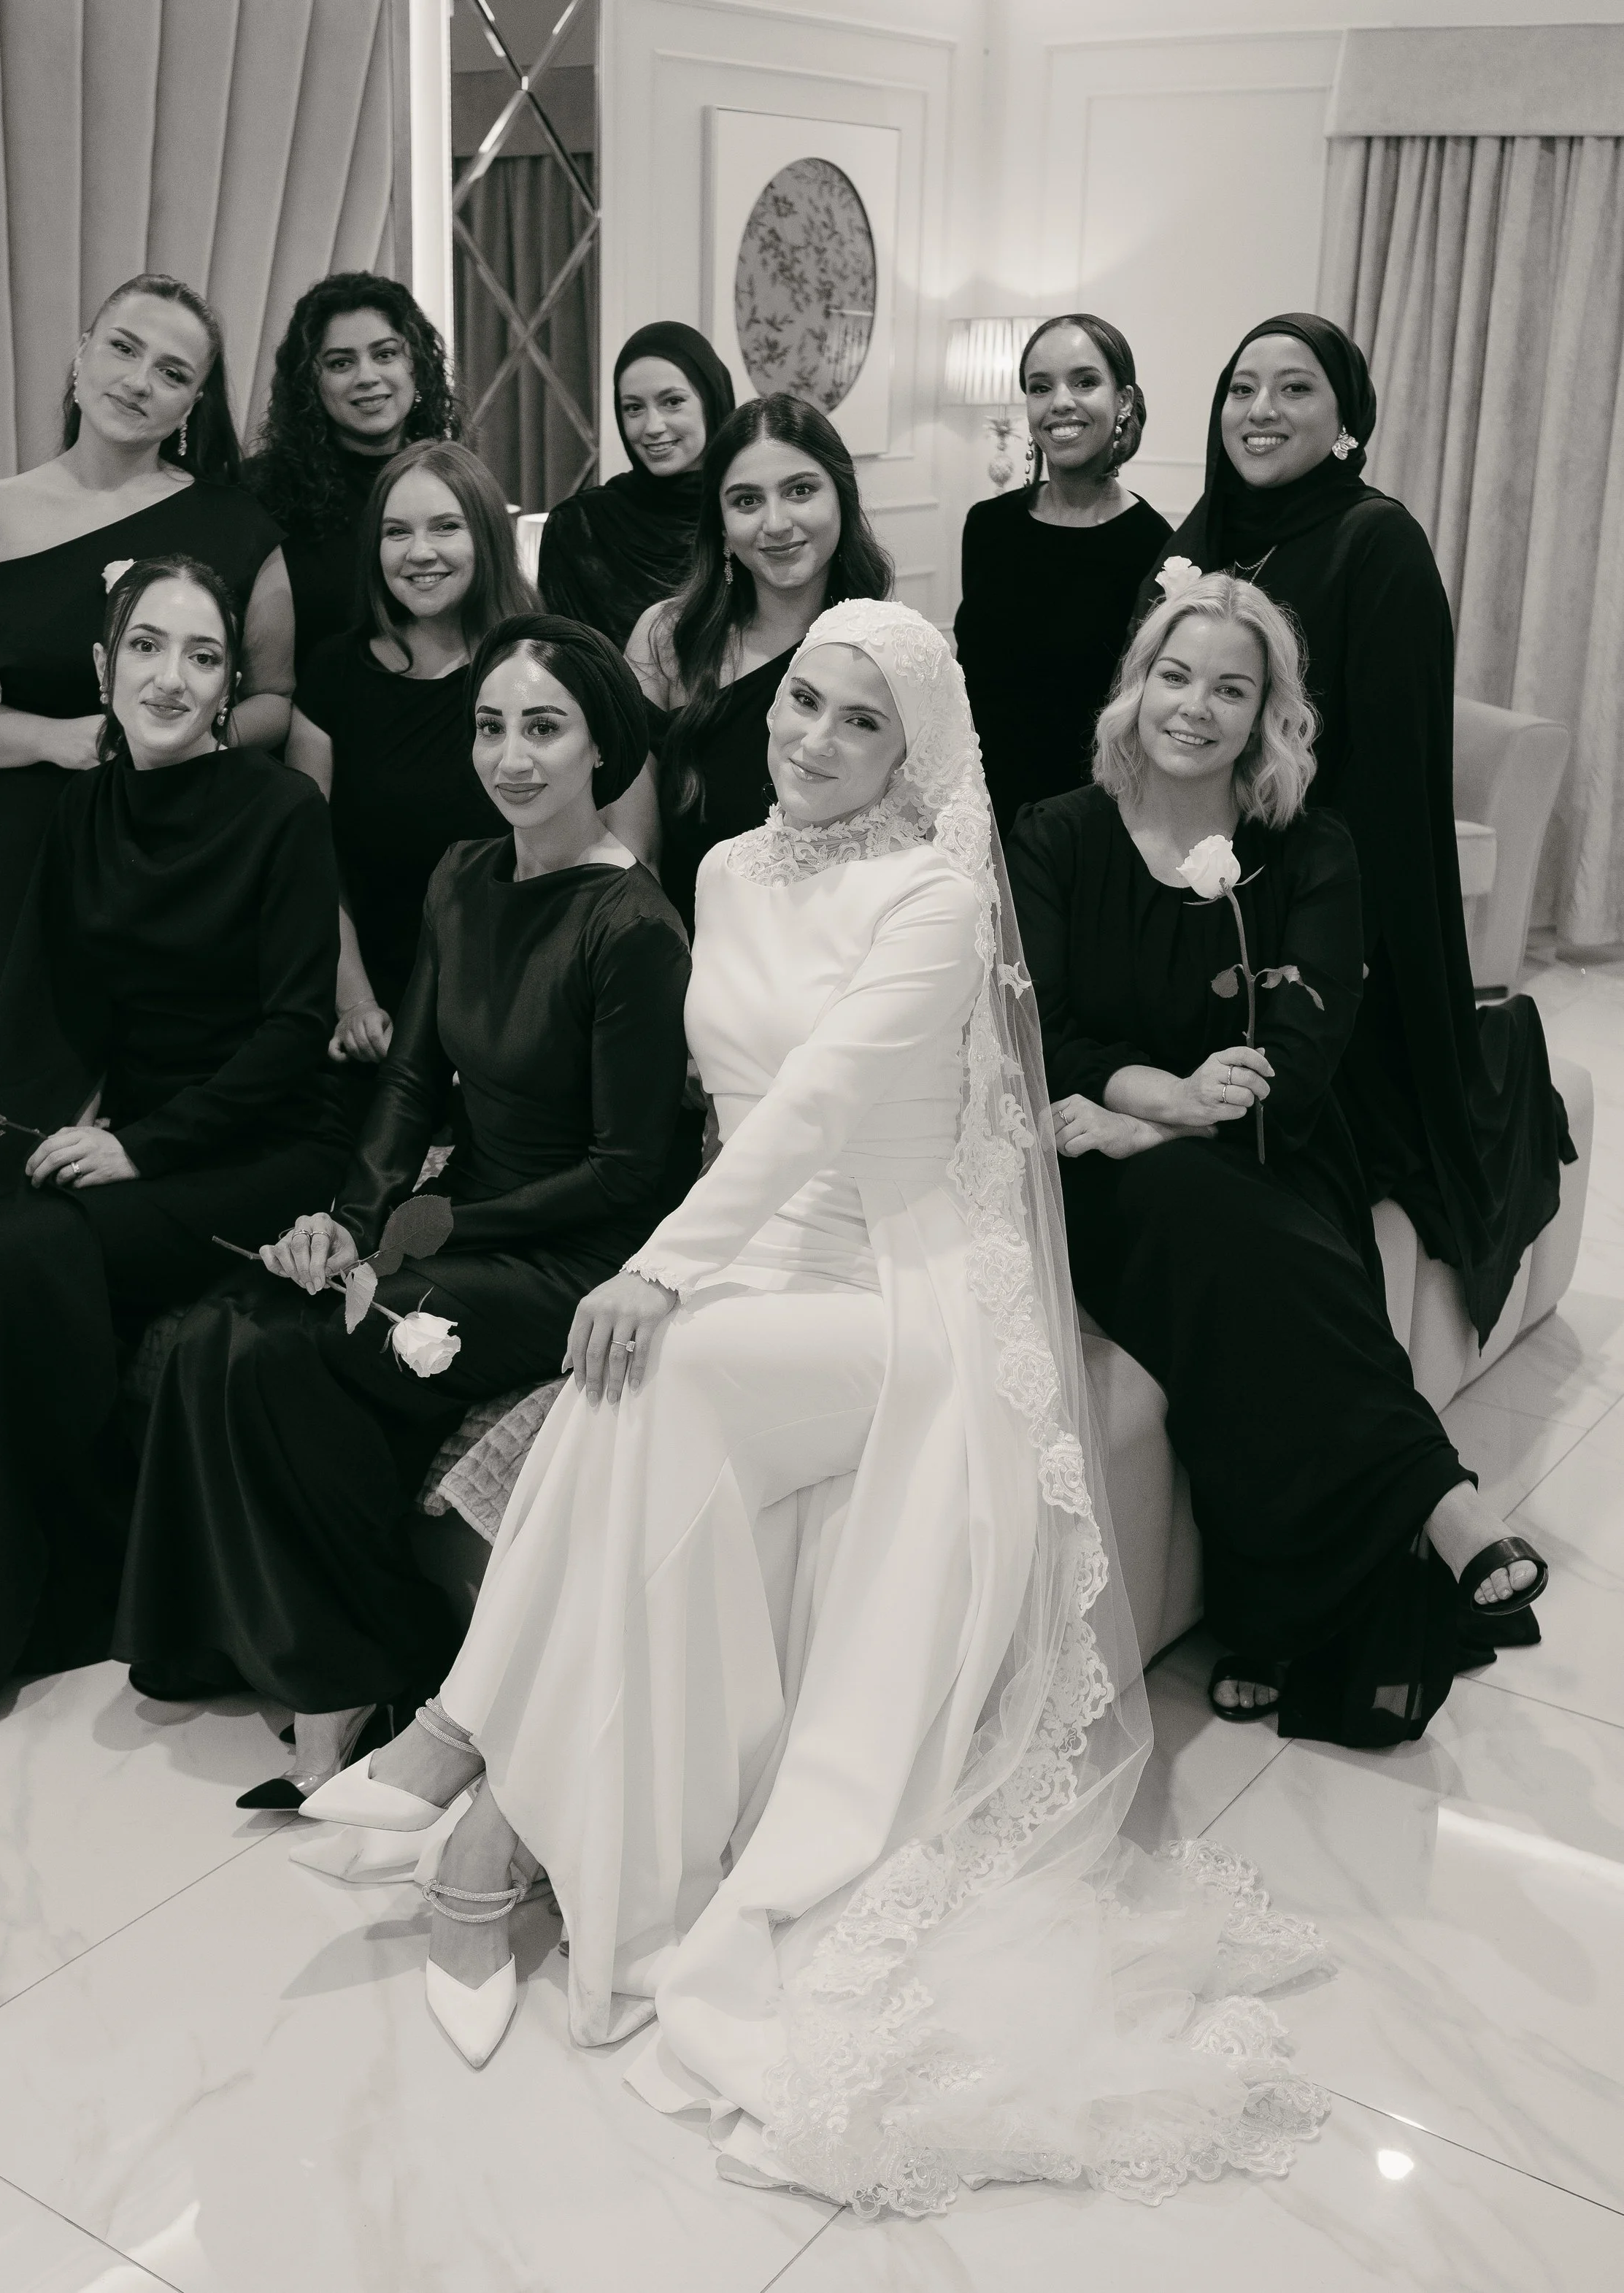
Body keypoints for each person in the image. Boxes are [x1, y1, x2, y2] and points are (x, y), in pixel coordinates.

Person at [295, 600, 1331, 2216]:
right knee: (625, 1393)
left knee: (663, 1357)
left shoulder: (929, 891)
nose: (811, 740)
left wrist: (658, 1271)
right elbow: (719, 1112)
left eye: (858, 721)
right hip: (765, 1254)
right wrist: (680, 1268)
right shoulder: (716, 868)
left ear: (909, 753)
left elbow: (829, 1098)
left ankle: (458, 1754)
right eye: (799, 704)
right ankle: (490, 1823)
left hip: (904, 1287)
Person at [115, 617, 691, 1808]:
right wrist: (352, 1220)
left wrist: (428, 1237)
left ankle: (355, 1678)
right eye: (491, 726)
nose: (511, 756)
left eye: (544, 727)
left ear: (601, 746)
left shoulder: (633, 927)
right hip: (454, 1214)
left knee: (294, 1351)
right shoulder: (462, 874)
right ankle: (249, 1644)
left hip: (564, 1253)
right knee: (224, 1323)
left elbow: (631, 1170)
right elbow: (414, 1081)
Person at [0, 559, 347, 1738]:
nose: (171, 676)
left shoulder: (281, 816)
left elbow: (296, 1037)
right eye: (147, 647)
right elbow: (28, 994)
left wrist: (139, 1149)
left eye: (203, 657)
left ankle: (36, 1596)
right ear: (105, 669)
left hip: (261, 1148)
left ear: (228, 689)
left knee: (16, 1257)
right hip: (139, 1132)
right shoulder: (80, 810)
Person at [1007, 572, 1550, 1741]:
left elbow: (1297, 1060)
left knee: (1242, 1257)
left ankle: (1272, 1614)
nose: (1195, 706)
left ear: (1268, 717)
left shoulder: (1311, 850)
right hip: (1104, 1170)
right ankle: (1435, 1497)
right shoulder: (1056, 834)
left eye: (1232, 688)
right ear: (1136, 686)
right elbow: (1049, 1028)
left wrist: (1160, 1120)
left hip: (1270, 1143)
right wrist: (1162, 1101)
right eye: (1175, 675)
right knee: (1210, 1231)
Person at [1140, 313, 1571, 1349]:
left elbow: (1387, 781)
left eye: (1295, 390)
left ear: (1347, 421)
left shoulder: (1378, 542)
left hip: (1315, 899)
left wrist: (1327, 947)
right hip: (1189, 870)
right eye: (1243, 388)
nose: (1260, 411)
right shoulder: (1199, 535)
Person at [0, 273, 293, 1061]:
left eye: (173, 372)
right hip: (40, 825)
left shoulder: (239, 524)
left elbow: (277, 700)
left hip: (196, 827)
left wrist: (186, 744)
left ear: (191, 407)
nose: (139, 381)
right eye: (124, 347)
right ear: (81, 356)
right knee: (44, 1072)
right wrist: (61, 739)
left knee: (182, 1075)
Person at [285, 440, 538, 1077]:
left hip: (520, 1010)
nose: (419, 552)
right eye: (397, 532)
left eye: (445, 526)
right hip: (371, 1006)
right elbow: (311, 865)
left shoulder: (542, 667)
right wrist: (356, 1003)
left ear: (485, 534)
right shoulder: (334, 674)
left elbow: (591, 862)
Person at [624, 392, 895, 930]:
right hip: (687, 959)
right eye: (746, 501)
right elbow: (637, 859)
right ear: (721, 525)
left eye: (799, 490)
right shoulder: (667, 639)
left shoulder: (885, 650)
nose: (775, 523)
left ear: (841, 496)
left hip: (835, 964)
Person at [955, 313, 1171, 830]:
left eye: (1085, 381)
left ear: (1123, 400)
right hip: (977, 807)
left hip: (1088, 823)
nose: (1060, 402)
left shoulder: (1156, 548)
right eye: (1040, 386)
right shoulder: (986, 527)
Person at [246, 272, 461, 667]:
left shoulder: (453, 480)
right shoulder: (260, 495)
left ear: (416, 363)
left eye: (385, 354)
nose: (367, 377)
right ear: (311, 382)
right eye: (341, 362)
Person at [537, 323, 736, 649]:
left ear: (712, 400)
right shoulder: (579, 527)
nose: (652, 427)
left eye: (672, 402)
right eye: (634, 408)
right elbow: (565, 666)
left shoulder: (748, 513)